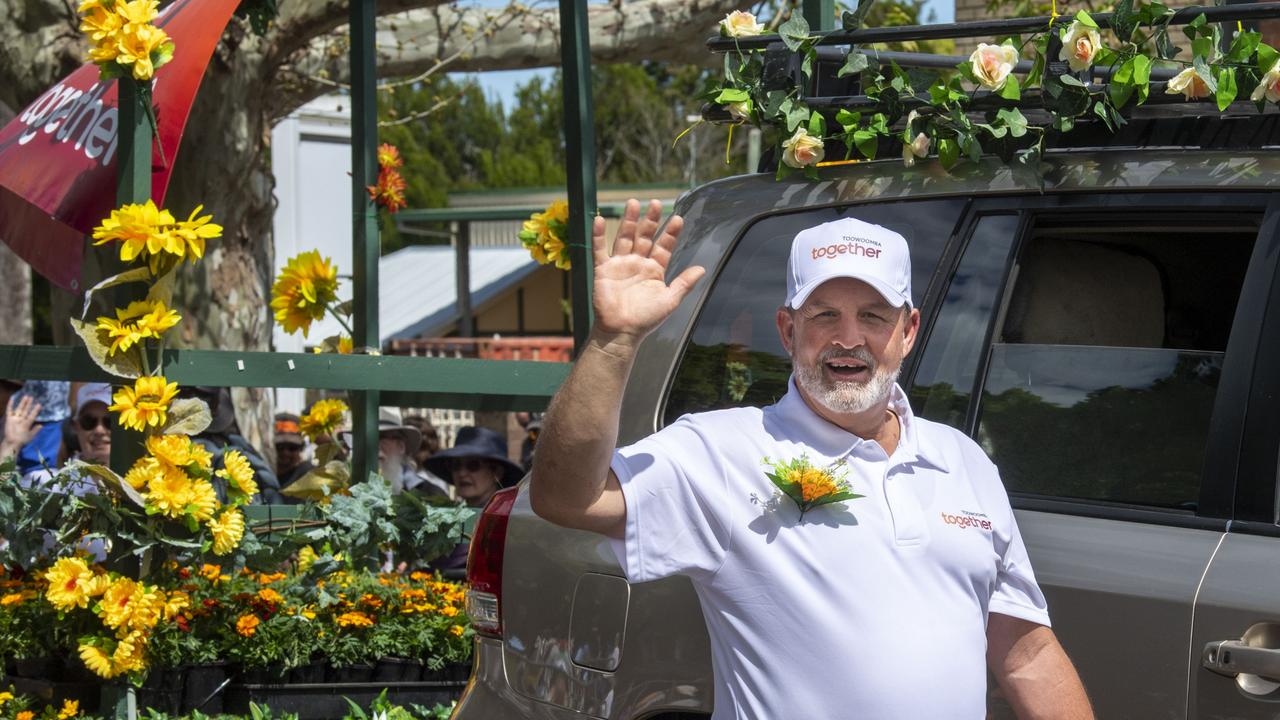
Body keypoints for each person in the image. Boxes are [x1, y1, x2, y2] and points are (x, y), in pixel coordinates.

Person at [529, 200, 1094, 719]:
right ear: (788, 329)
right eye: (824, 315)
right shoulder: (722, 451)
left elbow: (1027, 657)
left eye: (873, 316)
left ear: (908, 332)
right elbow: (566, 496)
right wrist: (614, 341)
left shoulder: (964, 460)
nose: (848, 338)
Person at [424, 426, 523, 508]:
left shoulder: (510, 518)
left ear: (497, 472)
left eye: (473, 466)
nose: (462, 473)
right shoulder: (448, 519)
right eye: (455, 466)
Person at [273, 412, 313, 491]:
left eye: (292, 448)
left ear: (301, 448)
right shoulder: (260, 476)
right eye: (279, 447)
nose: (285, 453)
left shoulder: (308, 475)